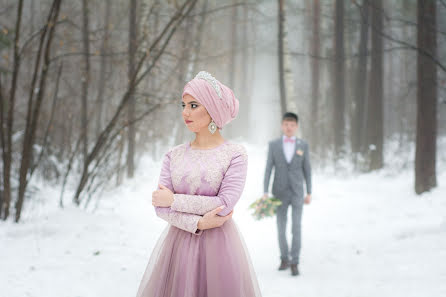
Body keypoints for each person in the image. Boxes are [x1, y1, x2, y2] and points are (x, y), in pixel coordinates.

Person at [135, 71, 262, 297]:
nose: (185, 112)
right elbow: (160, 207)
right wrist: (198, 224)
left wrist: (174, 200)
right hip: (176, 247)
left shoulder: (235, 155)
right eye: (183, 105)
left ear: (214, 110)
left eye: (193, 105)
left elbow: (224, 203)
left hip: (219, 247)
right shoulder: (173, 155)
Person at [263, 112, 312, 276]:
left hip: (298, 192)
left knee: (296, 227)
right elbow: (268, 168)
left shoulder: (303, 145)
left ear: (296, 126)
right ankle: (284, 258)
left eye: (292, 125)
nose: (289, 127)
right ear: (282, 126)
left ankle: (295, 261)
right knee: (281, 227)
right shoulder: (273, 145)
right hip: (279, 191)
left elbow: (307, 170)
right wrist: (265, 191)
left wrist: (309, 191)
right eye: (286, 124)